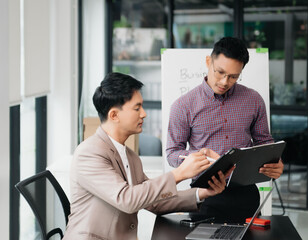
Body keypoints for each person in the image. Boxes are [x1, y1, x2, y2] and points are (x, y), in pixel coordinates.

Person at [63, 73, 233, 240]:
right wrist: (179, 174)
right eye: (137, 108)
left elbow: (153, 202)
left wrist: (203, 193)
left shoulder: (130, 156)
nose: (144, 113)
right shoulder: (89, 153)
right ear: (114, 115)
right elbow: (127, 199)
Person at [166, 37, 284, 221]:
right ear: (208, 62)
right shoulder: (183, 106)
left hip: (246, 193)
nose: (224, 81)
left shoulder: (254, 100)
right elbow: (173, 153)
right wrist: (201, 159)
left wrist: (274, 162)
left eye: (233, 76)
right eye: (220, 72)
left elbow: (264, 142)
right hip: (205, 194)